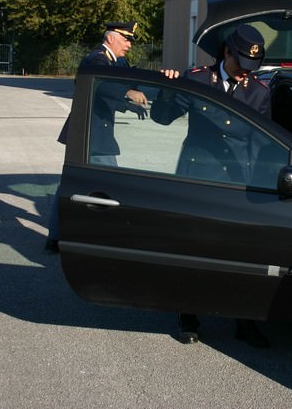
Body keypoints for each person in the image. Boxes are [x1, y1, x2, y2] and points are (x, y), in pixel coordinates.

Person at [151, 24, 271, 348]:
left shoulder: (259, 91)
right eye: (241, 64)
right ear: (227, 52)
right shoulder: (198, 79)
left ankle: (244, 321)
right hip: (198, 178)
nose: (245, 73)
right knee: (194, 250)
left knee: (240, 254)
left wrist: (261, 187)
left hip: (237, 184)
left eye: (252, 68)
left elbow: (261, 143)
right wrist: (167, 89)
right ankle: (189, 315)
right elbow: (162, 118)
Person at [45, 21, 148, 252]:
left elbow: (125, 78)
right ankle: (97, 236)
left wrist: (135, 95)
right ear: (111, 38)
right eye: (125, 39)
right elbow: (101, 85)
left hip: (95, 134)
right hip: (89, 135)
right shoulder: (96, 59)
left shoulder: (115, 60)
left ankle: (56, 236)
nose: (129, 44)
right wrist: (127, 92)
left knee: (73, 184)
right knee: (110, 183)